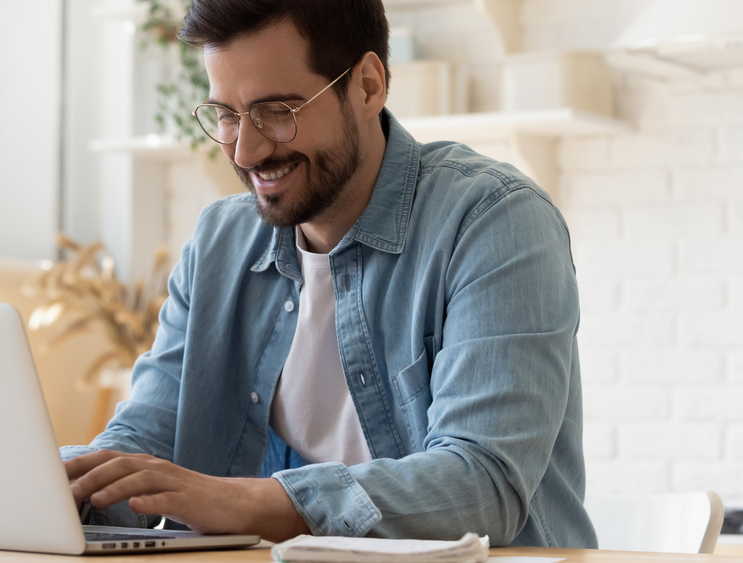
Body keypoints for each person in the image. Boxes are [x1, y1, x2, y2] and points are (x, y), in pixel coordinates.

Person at [62, 0, 597, 548]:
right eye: (226, 115)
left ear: (367, 86)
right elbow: (143, 440)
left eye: (277, 111)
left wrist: (243, 502)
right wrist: (56, 484)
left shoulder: (495, 221)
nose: (246, 150)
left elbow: (482, 484)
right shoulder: (219, 243)